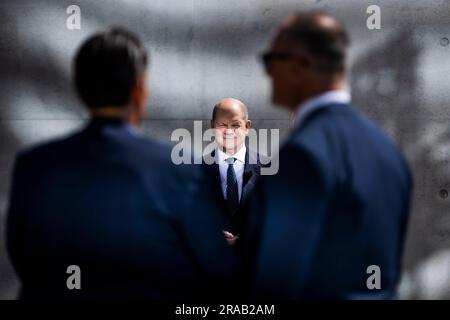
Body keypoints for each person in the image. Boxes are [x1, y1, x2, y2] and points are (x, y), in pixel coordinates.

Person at [6, 28, 237, 299]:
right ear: (138, 90)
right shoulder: (185, 170)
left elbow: (23, 258)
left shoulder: (33, 165)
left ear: (81, 88)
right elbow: (221, 270)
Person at [241, 11, 413, 299]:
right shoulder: (388, 151)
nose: (267, 72)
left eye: (271, 60)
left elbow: (276, 282)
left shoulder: (304, 155)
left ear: (298, 65)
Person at [203, 98, 266, 243]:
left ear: (247, 126)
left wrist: (245, 238)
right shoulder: (195, 169)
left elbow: (275, 217)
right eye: (222, 125)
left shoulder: (269, 169)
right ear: (212, 126)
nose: (229, 131)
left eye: (236, 125)